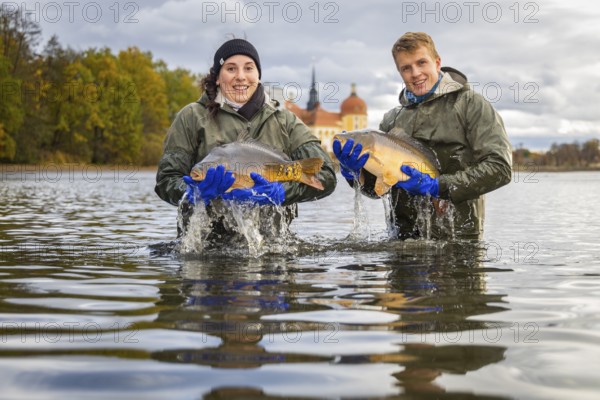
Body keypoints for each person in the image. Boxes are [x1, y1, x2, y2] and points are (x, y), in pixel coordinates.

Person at [333, 32, 512, 240]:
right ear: (399, 72)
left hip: (458, 241)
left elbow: (500, 168)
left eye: (421, 63)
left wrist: (439, 186)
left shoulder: (471, 105)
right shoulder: (391, 120)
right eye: (406, 68)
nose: (415, 73)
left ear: (437, 63)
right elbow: (378, 190)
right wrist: (356, 175)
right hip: (402, 243)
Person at [155, 38, 336, 237]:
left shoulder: (285, 120)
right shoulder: (190, 117)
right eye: (231, 69)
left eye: (249, 68)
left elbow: (326, 175)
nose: (241, 77)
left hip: (273, 250)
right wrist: (193, 194)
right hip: (206, 246)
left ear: (258, 75)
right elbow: (166, 180)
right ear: (217, 77)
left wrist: (283, 193)